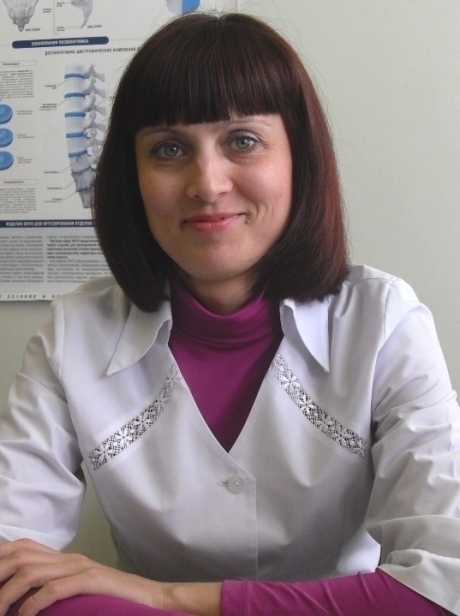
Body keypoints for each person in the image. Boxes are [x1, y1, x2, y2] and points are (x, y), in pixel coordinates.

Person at [0, 11, 459, 616]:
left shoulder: (383, 321)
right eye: (168, 149)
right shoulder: (73, 334)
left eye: (242, 141)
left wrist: (165, 597)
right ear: (131, 177)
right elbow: (15, 574)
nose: (207, 184)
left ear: (299, 159)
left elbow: (442, 584)